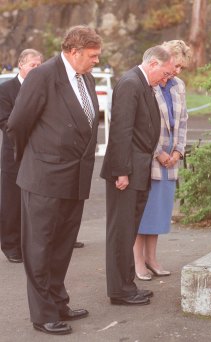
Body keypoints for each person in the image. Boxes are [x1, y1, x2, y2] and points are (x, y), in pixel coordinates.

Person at [7, 25, 102, 335]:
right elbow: (18, 123)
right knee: (39, 248)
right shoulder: (43, 76)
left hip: (75, 178)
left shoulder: (84, 76)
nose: (96, 61)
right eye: (92, 56)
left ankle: (58, 302)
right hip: (43, 178)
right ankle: (43, 314)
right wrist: (35, 160)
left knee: (62, 247)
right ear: (73, 52)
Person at [100, 45, 175, 306]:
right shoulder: (131, 83)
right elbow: (121, 130)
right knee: (121, 232)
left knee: (129, 230)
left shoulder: (144, 84)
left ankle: (126, 285)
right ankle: (120, 291)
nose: (166, 78)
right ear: (153, 63)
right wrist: (121, 171)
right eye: (165, 73)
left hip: (138, 168)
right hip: (127, 171)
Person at [133, 40, 191, 281]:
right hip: (149, 157)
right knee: (142, 211)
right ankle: (137, 261)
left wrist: (178, 151)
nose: (177, 72)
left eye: (181, 68)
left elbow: (183, 120)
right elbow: (141, 124)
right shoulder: (148, 82)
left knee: (158, 211)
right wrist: (158, 152)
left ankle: (152, 258)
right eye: (175, 66)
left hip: (171, 159)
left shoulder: (178, 85)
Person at [0, 49, 43, 263]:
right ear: (20, 65)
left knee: (39, 200)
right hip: (14, 154)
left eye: (39, 65)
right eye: (32, 65)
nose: (36, 69)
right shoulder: (5, 90)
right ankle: (11, 246)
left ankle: (36, 243)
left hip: (40, 155)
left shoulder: (43, 88)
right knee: (12, 201)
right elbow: (5, 122)